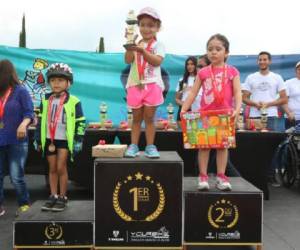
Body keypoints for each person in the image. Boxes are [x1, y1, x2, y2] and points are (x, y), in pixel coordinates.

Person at [182, 34, 242, 191]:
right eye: (210, 49)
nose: (213, 52)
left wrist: (237, 109)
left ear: (226, 53)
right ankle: (203, 176)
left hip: (225, 115)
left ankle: (221, 177)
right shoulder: (203, 73)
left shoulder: (233, 71)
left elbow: (237, 93)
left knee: (222, 147)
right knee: (204, 146)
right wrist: (184, 108)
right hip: (206, 115)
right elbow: (194, 93)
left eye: (218, 49)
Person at [35, 63, 86, 212]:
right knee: (51, 168)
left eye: (60, 80)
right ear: (49, 82)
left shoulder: (74, 101)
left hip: (64, 139)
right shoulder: (45, 100)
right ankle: (53, 195)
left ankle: (63, 196)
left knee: (60, 167)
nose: (56, 83)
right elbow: (39, 120)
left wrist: (78, 139)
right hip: (49, 139)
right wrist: (38, 138)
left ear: (68, 83)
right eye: (53, 80)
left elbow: (81, 121)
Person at [124, 7, 165, 158]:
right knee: (136, 118)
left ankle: (150, 146)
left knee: (149, 117)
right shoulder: (136, 42)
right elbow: (128, 60)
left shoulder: (158, 45)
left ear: (157, 28)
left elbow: (156, 61)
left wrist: (143, 51)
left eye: (150, 25)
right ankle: (133, 146)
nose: (146, 28)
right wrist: (129, 46)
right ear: (138, 26)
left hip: (152, 84)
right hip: (135, 84)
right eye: (142, 24)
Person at [0, 59, 34, 216]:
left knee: (16, 176)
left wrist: (23, 124)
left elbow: (29, 113)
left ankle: (24, 204)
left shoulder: (21, 91)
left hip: (17, 141)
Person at [242, 51, 287, 132]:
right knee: (255, 142)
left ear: (269, 61)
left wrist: (269, 104)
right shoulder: (250, 77)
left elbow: (284, 99)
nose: (262, 62)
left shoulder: (277, 77)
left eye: (265, 59)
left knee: (272, 143)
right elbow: (244, 98)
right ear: (257, 61)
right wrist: (255, 104)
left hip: (272, 116)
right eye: (260, 60)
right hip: (254, 116)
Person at [175, 56, 198, 123]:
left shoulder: (200, 79)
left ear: (196, 65)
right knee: (181, 131)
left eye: (192, 64)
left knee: (195, 131)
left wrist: (193, 106)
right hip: (184, 110)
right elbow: (177, 99)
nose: (189, 66)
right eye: (187, 64)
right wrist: (186, 105)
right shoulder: (182, 80)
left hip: (196, 110)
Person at [282, 61, 300, 128]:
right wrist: (289, 113)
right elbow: (283, 101)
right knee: (291, 138)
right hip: (292, 119)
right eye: (299, 69)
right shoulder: (288, 83)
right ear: (296, 71)